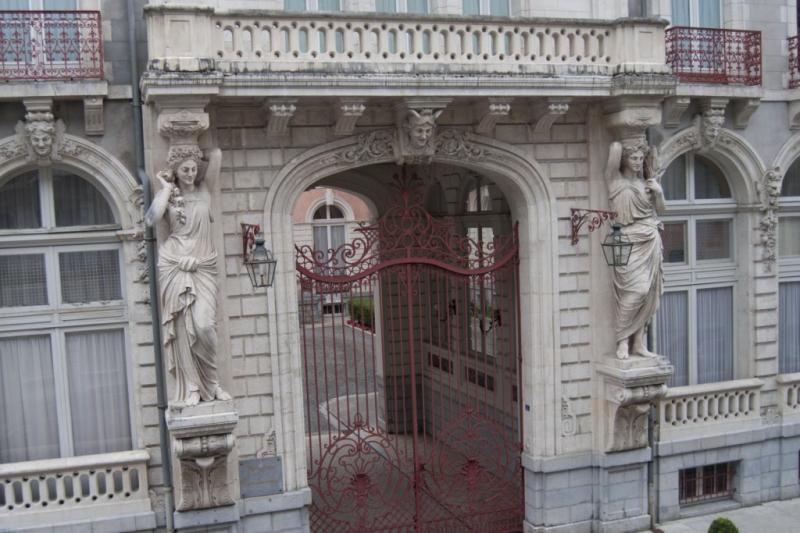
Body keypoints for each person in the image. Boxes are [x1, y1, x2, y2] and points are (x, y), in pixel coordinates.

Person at [146, 146, 231, 405]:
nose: (190, 174)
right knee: (184, 328)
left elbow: (217, 155)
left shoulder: (206, 189)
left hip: (204, 265)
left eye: (194, 169)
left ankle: (213, 384)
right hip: (175, 264)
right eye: (185, 169)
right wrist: (165, 187)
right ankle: (193, 387)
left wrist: (196, 145)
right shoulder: (170, 196)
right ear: (175, 171)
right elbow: (152, 219)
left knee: (205, 326)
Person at [605, 141, 665, 359]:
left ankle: (638, 343)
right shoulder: (615, 180)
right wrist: (626, 137)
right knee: (634, 291)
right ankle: (622, 339)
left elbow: (661, 209)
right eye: (633, 158)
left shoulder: (648, 183)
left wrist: (658, 192)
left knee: (649, 293)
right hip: (626, 238)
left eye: (641, 158)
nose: (638, 162)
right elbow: (614, 150)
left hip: (650, 237)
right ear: (625, 160)